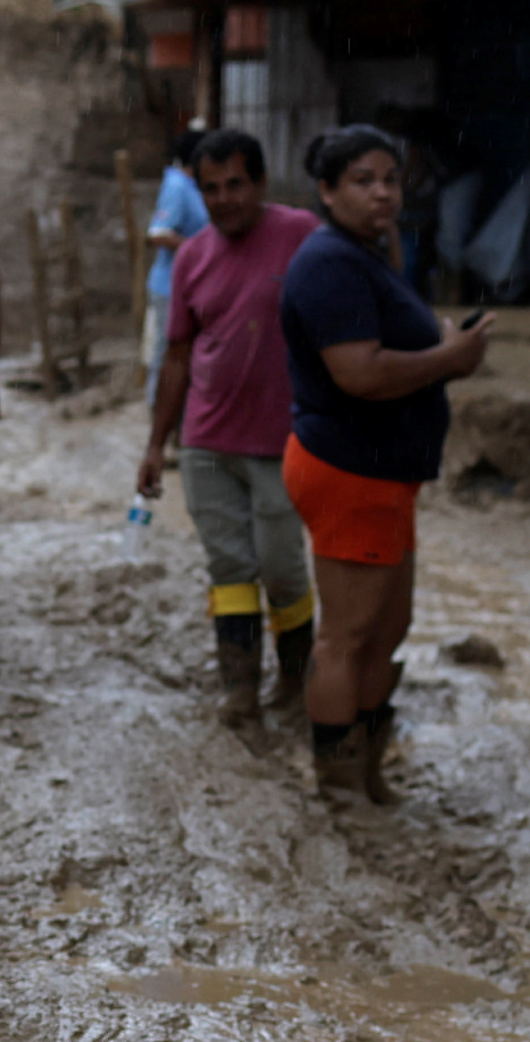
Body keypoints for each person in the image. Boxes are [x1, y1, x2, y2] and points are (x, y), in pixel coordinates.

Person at [280, 126, 492, 801]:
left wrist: (445, 340)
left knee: (386, 628)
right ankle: (340, 783)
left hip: (382, 472)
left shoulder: (365, 254)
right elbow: (360, 374)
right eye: (363, 181)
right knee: (345, 637)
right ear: (327, 190)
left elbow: (395, 338)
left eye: (390, 179)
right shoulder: (329, 264)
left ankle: (367, 768)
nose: (381, 192)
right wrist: (450, 359)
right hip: (350, 468)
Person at [136, 128, 319, 723]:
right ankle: (238, 686)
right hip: (208, 441)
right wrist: (155, 445)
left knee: (282, 564)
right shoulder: (191, 256)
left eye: (235, 185)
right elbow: (179, 358)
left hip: (281, 442)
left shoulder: (301, 235)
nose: (223, 199)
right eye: (210, 188)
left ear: (260, 183)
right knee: (229, 567)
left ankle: (295, 681)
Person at [145, 127, 209, 409]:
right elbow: (159, 233)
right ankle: (157, 412)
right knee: (167, 354)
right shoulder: (177, 187)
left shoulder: (194, 187)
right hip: (170, 287)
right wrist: (202, 250)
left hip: (192, 287)